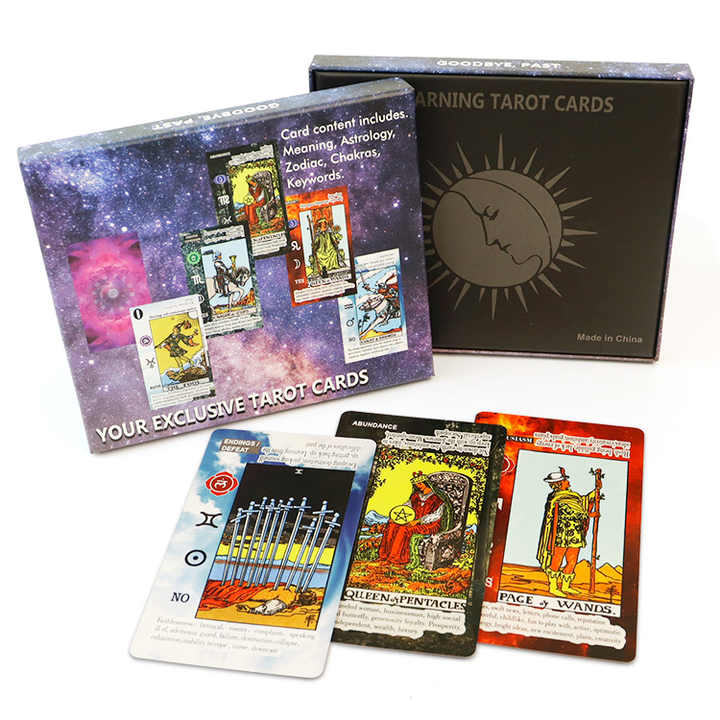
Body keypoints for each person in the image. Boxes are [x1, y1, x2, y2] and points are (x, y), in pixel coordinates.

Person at [536, 467, 601, 597]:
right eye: (566, 480)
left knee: (572, 560)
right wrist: (589, 514)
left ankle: (566, 586)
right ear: (559, 483)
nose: (568, 482)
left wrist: (596, 490)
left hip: (575, 532)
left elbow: (583, 502)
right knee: (557, 559)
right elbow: (573, 512)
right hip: (561, 533)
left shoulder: (573, 496)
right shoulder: (556, 497)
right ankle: (553, 587)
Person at [379, 471, 450, 565]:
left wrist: (419, 521)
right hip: (413, 521)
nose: (418, 486)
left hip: (430, 524)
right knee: (392, 525)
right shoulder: (416, 496)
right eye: (416, 484)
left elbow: (436, 515)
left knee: (404, 529)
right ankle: (385, 555)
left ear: (426, 483)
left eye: (420, 484)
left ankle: (396, 558)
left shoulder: (437, 498)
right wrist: (395, 518)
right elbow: (407, 506)